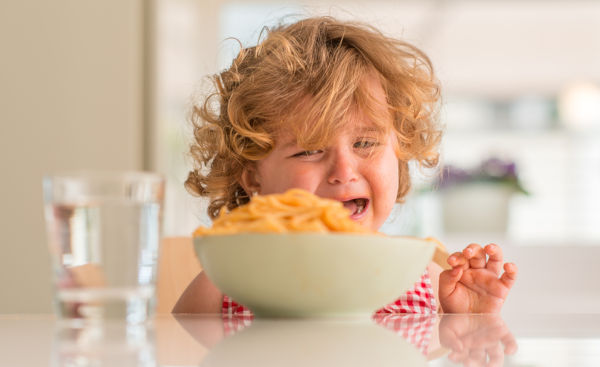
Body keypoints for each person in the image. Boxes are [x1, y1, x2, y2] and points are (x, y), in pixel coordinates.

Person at [173, 16, 517, 315]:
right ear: (253, 177)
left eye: (365, 143)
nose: (343, 171)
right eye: (309, 151)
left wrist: (468, 323)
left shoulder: (421, 280)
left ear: (400, 150)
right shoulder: (225, 286)